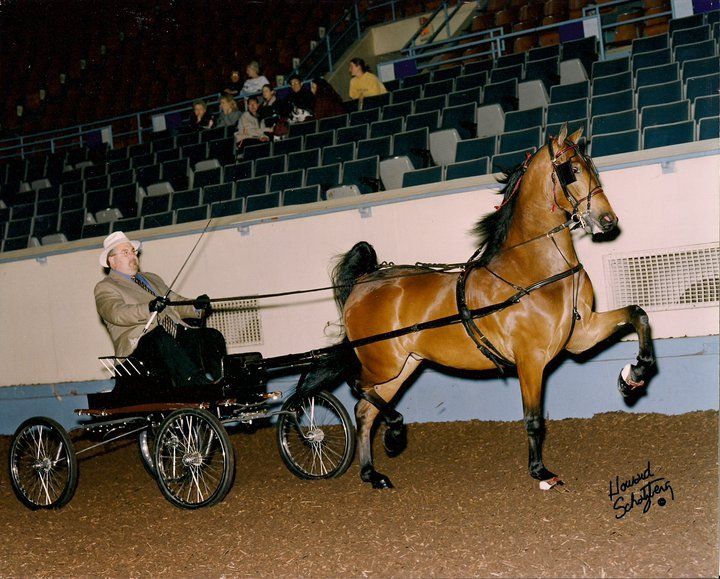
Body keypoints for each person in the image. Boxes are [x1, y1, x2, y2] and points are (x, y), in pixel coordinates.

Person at [94, 231, 226, 392]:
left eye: (133, 251)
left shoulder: (152, 278)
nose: (133, 256)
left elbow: (174, 301)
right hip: (139, 348)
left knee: (210, 336)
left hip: (172, 334)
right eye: (125, 252)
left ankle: (221, 381)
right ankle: (196, 384)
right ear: (112, 261)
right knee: (160, 337)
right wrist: (148, 308)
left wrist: (196, 306)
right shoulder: (106, 286)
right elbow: (116, 313)